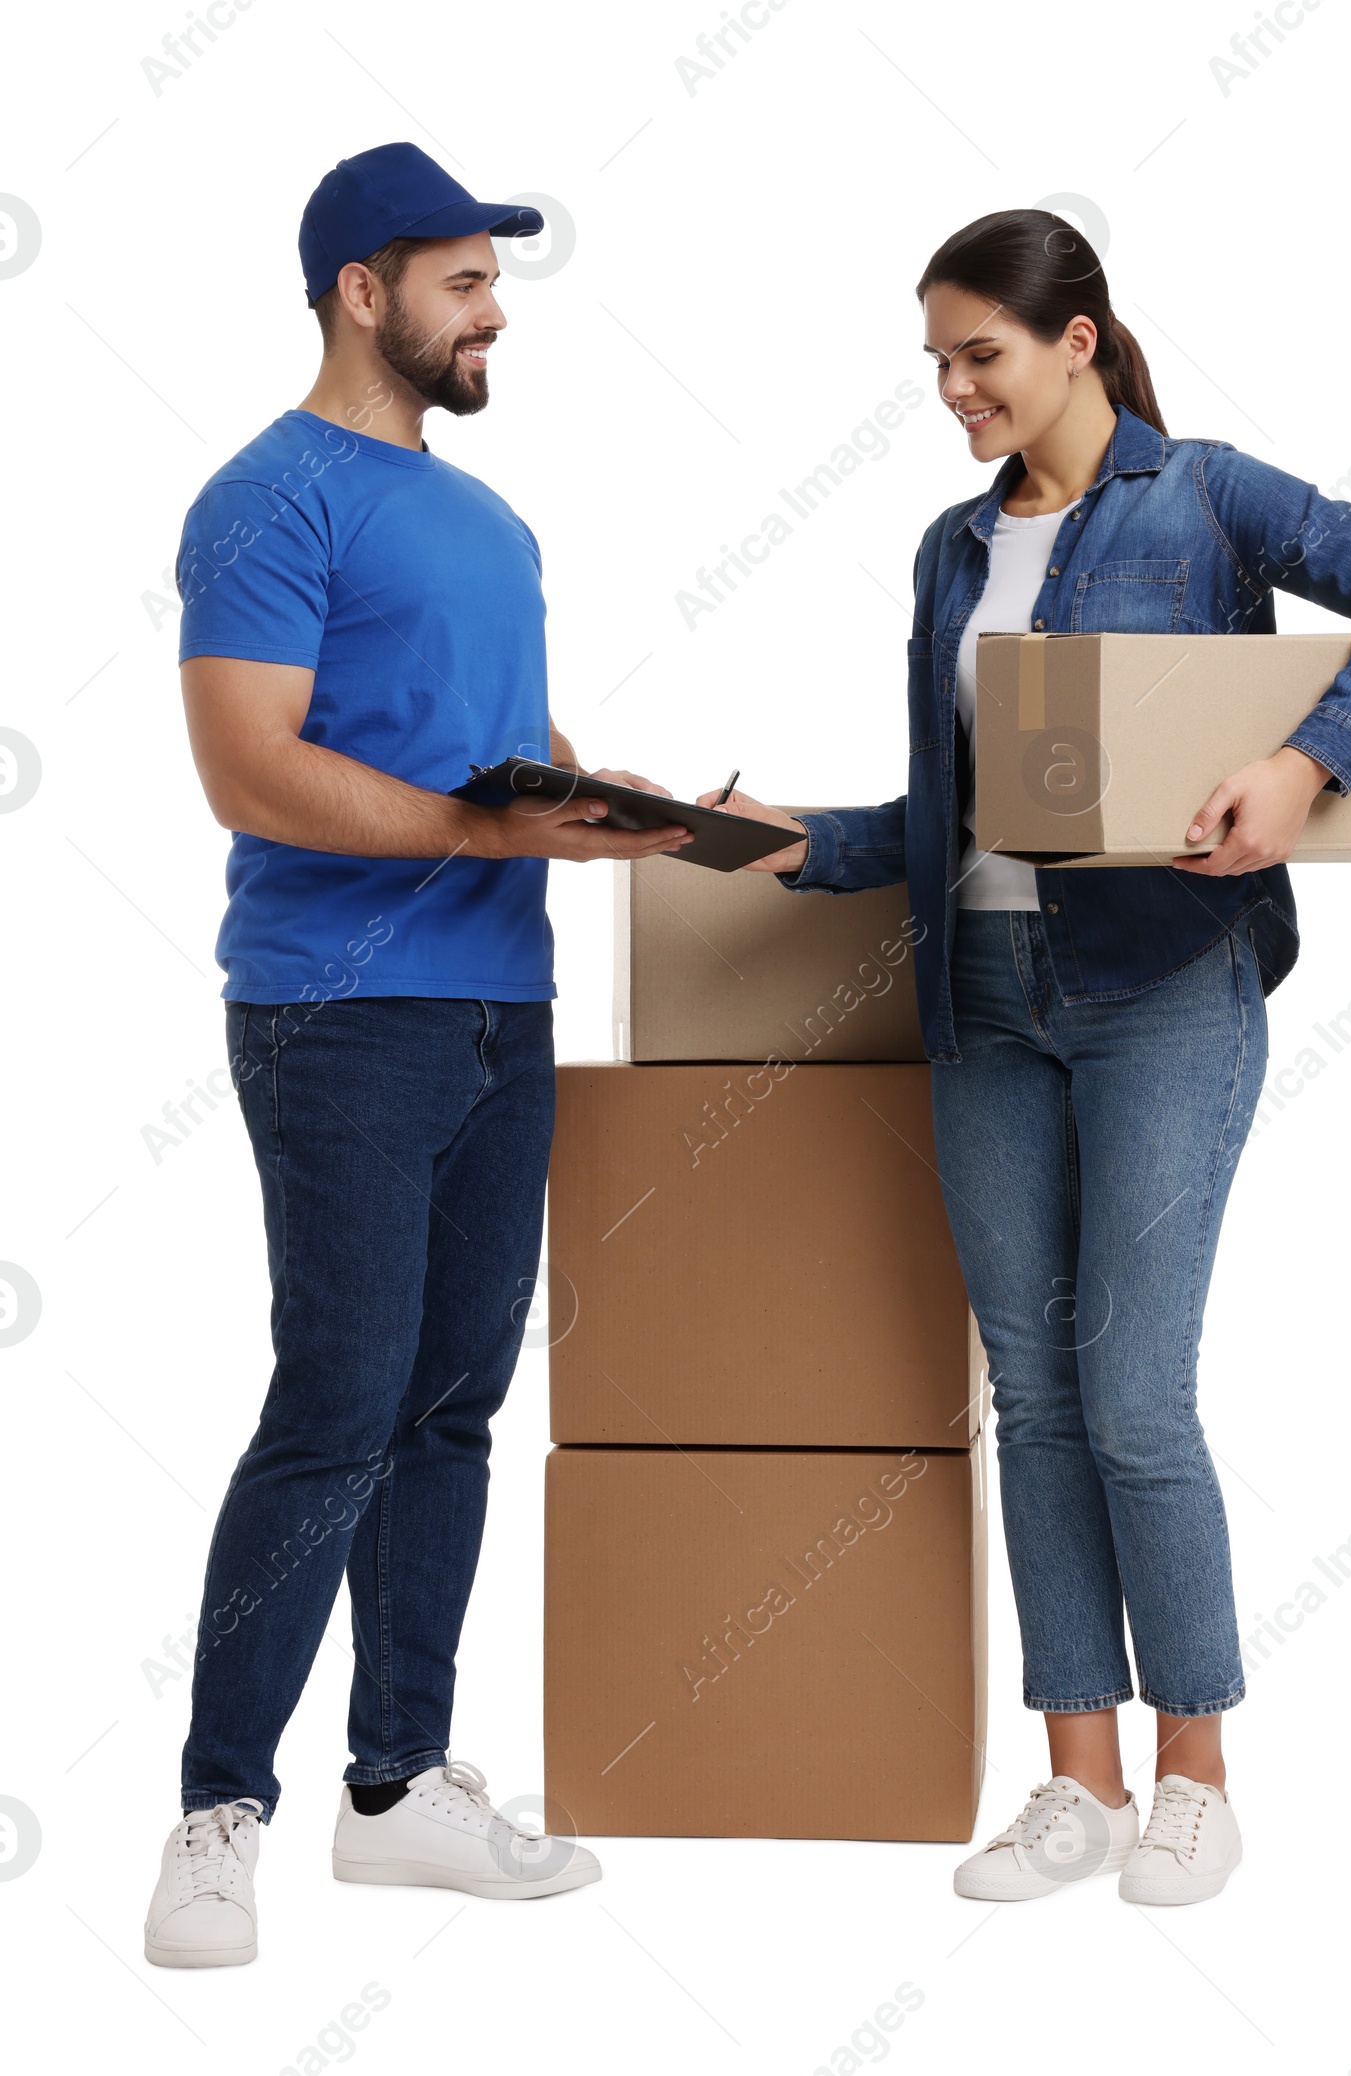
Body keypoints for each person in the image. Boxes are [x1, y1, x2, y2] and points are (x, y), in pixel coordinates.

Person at [701, 209, 1351, 1909]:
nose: (953, 392)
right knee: (1035, 1397)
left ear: (1077, 337)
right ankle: (1081, 1782)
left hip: (1162, 989)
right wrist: (786, 842)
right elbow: (952, 814)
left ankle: (1198, 1768)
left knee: (1135, 1394)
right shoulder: (948, 553)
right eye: (935, 365)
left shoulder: (1204, 498)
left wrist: (1307, 762)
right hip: (980, 994)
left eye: (979, 355)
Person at [144, 142, 689, 1970]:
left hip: (498, 1012)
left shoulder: (495, 523)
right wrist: (486, 837)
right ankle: (220, 1813)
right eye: (464, 282)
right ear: (362, 292)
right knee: (341, 1402)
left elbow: (508, 751)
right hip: (335, 1011)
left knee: (453, 1407)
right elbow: (251, 767)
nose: (493, 310)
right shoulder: (265, 499)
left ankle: (401, 1791)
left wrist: (628, 814)